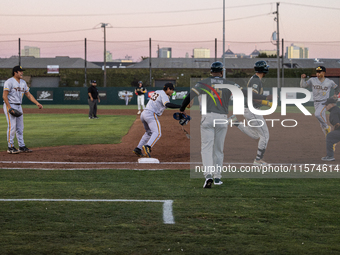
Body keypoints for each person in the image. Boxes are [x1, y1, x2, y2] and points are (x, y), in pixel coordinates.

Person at [180, 61, 272, 188]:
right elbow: (245, 92)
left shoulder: (204, 82)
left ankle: (208, 176)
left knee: (206, 149)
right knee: (219, 149)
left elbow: (190, 95)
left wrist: (182, 108)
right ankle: (217, 178)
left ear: (211, 71)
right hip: (222, 118)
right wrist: (264, 97)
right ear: (222, 72)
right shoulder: (229, 84)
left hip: (207, 118)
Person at [232, 60, 273, 166]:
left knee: (256, 135)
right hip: (252, 110)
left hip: (249, 110)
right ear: (263, 69)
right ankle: (258, 160)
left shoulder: (255, 79)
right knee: (265, 136)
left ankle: (236, 123)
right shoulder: (256, 81)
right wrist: (267, 102)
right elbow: (253, 97)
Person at [133, 83, 181, 158]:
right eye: (172, 90)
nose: (172, 91)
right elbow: (167, 104)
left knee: (149, 132)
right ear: (168, 89)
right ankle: (147, 146)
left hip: (144, 114)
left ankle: (138, 149)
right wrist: (181, 106)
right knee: (157, 133)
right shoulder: (164, 95)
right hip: (150, 114)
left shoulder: (158, 91)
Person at [3, 65, 43, 154]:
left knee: (20, 128)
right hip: (10, 105)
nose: (22, 73)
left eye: (22, 71)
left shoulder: (23, 82)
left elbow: (28, 94)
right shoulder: (9, 82)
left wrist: (37, 103)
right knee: (12, 127)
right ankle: (10, 147)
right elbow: (4, 96)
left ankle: (22, 146)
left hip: (19, 106)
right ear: (15, 72)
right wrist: (9, 108)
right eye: (20, 71)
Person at [301, 66, 339, 136]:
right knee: (322, 125)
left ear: (324, 72)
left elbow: (337, 88)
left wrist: (335, 95)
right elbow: (303, 86)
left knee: (317, 114)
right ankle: (329, 139)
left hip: (324, 102)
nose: (318, 74)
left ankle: (328, 127)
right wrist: (302, 79)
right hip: (316, 102)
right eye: (317, 72)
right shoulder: (312, 80)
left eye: (319, 72)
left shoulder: (329, 82)